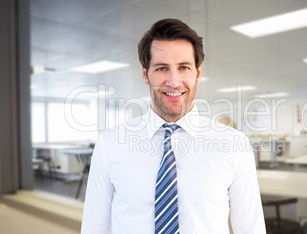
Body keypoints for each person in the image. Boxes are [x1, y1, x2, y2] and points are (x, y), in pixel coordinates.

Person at [81, 18, 265, 234]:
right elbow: (94, 227)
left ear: (198, 74)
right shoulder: (110, 143)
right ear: (145, 75)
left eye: (184, 67)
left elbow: (251, 229)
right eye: (161, 68)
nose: (174, 81)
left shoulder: (233, 144)